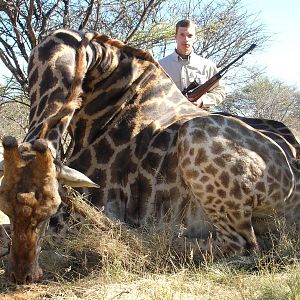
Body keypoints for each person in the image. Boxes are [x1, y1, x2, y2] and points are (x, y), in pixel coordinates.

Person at [159, 19, 225, 110]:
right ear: (175, 37)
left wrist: (202, 101)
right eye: (182, 35)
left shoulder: (207, 66)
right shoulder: (160, 66)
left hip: (200, 118)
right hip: (168, 117)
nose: (186, 39)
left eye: (190, 36)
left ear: (195, 38)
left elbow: (220, 91)